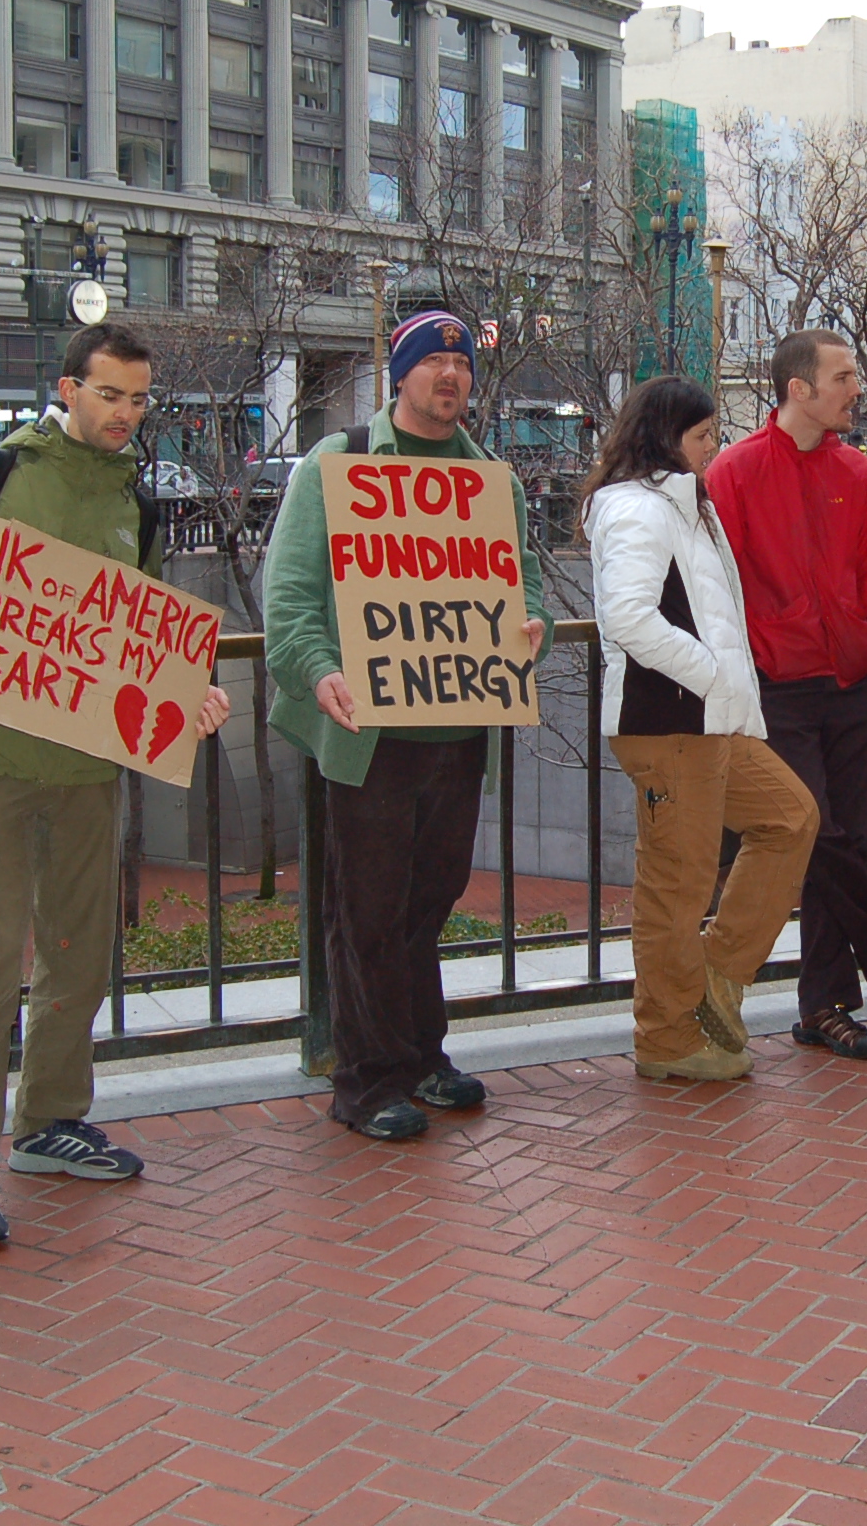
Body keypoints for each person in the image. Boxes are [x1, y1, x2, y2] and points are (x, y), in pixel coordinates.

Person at [0, 321, 230, 1246]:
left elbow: (140, 637)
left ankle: (48, 1120)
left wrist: (187, 692)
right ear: (68, 390)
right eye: (109, 394)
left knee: (79, 946)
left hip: (85, 764)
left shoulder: (136, 501)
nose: (125, 412)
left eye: (138, 398)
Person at [260, 311, 547, 1138]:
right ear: (399, 374)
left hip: (459, 728)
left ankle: (422, 1056)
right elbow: (290, 597)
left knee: (430, 902)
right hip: (368, 736)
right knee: (369, 913)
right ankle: (366, 1079)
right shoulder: (338, 464)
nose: (450, 376)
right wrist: (318, 671)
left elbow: (524, 584)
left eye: (462, 364)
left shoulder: (492, 480)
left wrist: (532, 626)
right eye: (433, 362)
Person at [708, 329, 867, 1060]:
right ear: (798, 389)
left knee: (851, 843)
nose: (856, 388)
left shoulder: (857, 470)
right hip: (779, 689)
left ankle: (824, 1005)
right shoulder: (734, 472)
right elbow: (719, 589)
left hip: (857, 685)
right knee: (815, 834)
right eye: (843, 377)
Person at [583, 377, 817, 1082]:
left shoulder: (683, 505)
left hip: (709, 719)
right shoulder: (639, 508)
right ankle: (664, 1037)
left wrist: (721, 687)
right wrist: (711, 673)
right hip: (672, 721)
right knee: (676, 885)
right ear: (664, 438)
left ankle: (716, 974)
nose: (714, 446)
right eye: (703, 435)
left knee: (790, 818)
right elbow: (629, 616)